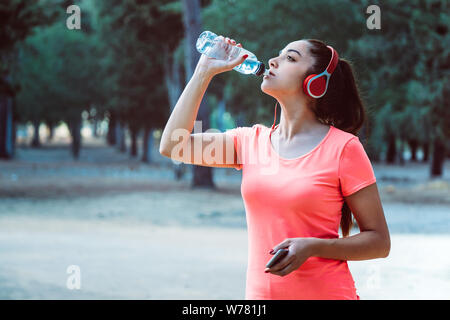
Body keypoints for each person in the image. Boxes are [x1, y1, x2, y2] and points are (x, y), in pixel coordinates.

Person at [159, 35, 391, 300]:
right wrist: (203, 71)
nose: (272, 60)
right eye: (279, 54)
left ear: (315, 83)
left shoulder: (345, 148)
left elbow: (380, 243)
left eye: (290, 58)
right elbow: (173, 145)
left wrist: (313, 247)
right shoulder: (249, 142)